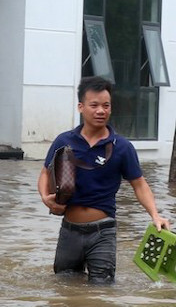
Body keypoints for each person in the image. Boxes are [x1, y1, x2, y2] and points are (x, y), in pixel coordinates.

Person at [38, 76, 169, 283]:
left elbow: (139, 184)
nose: (101, 111)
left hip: (103, 232)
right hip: (69, 230)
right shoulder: (64, 141)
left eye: (106, 106)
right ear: (81, 107)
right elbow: (46, 172)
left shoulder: (122, 147)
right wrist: (46, 197)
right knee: (64, 287)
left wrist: (155, 215)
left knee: (102, 290)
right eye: (95, 105)